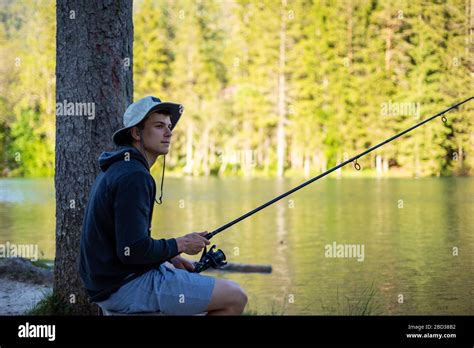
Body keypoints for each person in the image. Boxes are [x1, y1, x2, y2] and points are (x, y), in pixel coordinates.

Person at [79, 96, 247, 315]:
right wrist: (182, 243)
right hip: (122, 286)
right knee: (235, 296)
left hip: (107, 283)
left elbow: (127, 242)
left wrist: (169, 256)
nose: (168, 133)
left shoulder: (119, 167)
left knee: (173, 269)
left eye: (169, 127)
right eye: (159, 126)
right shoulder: (134, 177)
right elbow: (132, 252)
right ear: (136, 133)